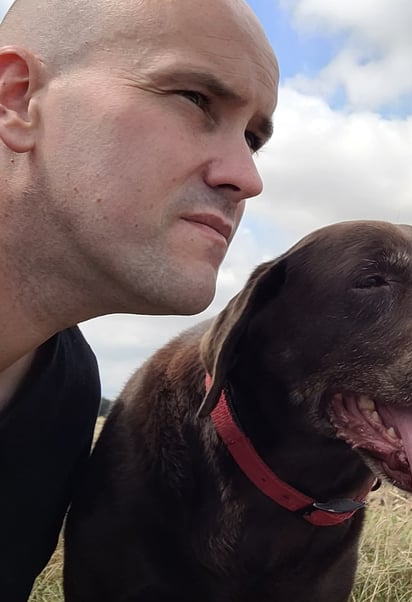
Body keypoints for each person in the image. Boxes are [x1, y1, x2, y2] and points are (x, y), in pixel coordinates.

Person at [0, 0, 279, 598]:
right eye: (195, 98)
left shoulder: (66, 390)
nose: (247, 178)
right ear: (16, 99)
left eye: (253, 138)